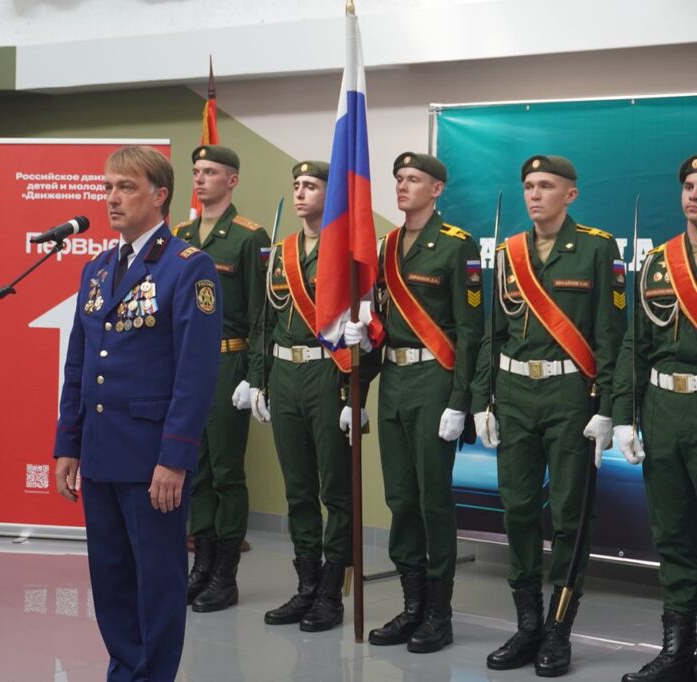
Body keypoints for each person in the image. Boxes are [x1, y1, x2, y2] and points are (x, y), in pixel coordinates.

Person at [52, 145, 222, 681]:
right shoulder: (97, 269)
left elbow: (195, 376)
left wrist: (175, 458)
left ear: (160, 195)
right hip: (101, 451)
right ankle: (124, 671)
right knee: (111, 580)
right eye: (107, 187)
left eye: (126, 187)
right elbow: (79, 363)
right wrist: (68, 442)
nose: (112, 198)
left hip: (152, 458)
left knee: (156, 582)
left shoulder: (187, 268)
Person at [471, 155, 626, 677]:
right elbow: (493, 333)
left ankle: (559, 629)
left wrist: (608, 408)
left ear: (570, 195)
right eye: (529, 186)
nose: (535, 195)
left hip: (569, 395)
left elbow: (610, 335)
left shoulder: (597, 248)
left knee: (569, 515)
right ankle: (527, 624)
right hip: (514, 392)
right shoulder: (509, 253)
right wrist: (484, 399)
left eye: (546, 186)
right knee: (516, 508)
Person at [345, 152, 483, 653]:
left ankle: (439, 613)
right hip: (394, 381)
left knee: (432, 499)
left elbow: (470, 332)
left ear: (437, 189)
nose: (403, 186)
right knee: (400, 498)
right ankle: (412, 604)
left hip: (434, 380)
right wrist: (359, 373)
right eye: (399, 179)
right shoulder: (384, 247)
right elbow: (381, 322)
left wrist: (461, 399)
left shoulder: (456, 245)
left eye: (414, 179)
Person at [249, 160, 379, 633]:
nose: (301, 192)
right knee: (298, 489)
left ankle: (331, 591)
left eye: (311, 185)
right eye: (297, 185)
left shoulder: (346, 253)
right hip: (284, 374)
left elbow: (367, 331)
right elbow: (265, 321)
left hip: (327, 376)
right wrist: (258, 379)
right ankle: (305, 585)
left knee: (335, 491)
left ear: (332, 193)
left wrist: (355, 396)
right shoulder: (280, 252)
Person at [173, 144, 270, 612]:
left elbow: (260, 314)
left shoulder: (249, 237)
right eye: (196, 171)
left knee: (227, 471)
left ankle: (225, 576)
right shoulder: (180, 234)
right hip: (187, 364)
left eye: (210, 171)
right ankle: (202, 566)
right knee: (195, 469)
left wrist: (254, 376)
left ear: (232, 180)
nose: (200, 178)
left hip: (229, 363)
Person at [614, 155, 697, 682]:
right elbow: (635, 345)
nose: (695, 194)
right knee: (672, 535)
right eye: (689, 185)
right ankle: (679, 653)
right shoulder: (657, 263)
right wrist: (624, 415)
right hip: (664, 413)